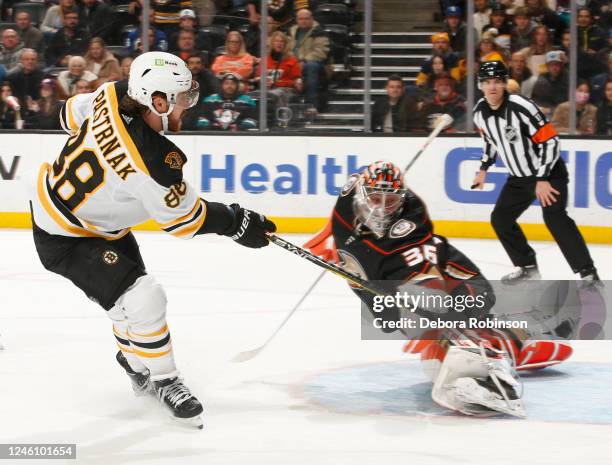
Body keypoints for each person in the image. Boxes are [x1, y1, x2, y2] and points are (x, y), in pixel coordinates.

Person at [30, 51, 276, 428]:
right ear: (156, 101)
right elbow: (185, 220)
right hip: (65, 236)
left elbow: (67, 114)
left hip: (95, 223)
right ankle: (165, 380)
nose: (186, 106)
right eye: (180, 99)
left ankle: (133, 361)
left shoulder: (110, 94)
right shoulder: (154, 161)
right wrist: (236, 222)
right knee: (144, 297)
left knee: (127, 304)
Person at [304, 161, 572, 417]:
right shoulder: (350, 189)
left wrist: (420, 310)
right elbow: (339, 224)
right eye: (376, 199)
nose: (383, 209)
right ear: (361, 194)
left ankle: (508, 347)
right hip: (399, 281)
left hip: (460, 283)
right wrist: (327, 245)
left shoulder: (410, 226)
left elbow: (428, 283)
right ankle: (514, 334)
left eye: (392, 201)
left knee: (439, 339)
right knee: (407, 329)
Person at [472, 61, 599, 283]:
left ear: (504, 84)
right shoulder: (479, 113)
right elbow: (491, 141)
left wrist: (542, 178)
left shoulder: (522, 107)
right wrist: (483, 168)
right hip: (519, 179)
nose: (492, 87)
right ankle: (527, 266)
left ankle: (588, 273)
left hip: (548, 173)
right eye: (487, 82)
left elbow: (550, 141)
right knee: (501, 219)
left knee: (555, 218)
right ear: (480, 85)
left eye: (497, 81)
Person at [287, 8, 330, 111]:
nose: (303, 21)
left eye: (306, 18)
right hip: (294, 63)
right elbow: (286, 49)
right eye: (301, 19)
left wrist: (304, 61)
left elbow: (320, 51)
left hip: (317, 66)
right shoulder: (291, 31)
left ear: (312, 19)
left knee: (311, 66)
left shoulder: (319, 31)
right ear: (297, 20)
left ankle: (311, 106)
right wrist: (294, 62)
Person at [187, 72, 257, 130]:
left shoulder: (247, 101)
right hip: (213, 137)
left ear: (237, 85)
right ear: (221, 85)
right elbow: (202, 121)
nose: (229, 86)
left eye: (233, 83)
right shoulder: (209, 100)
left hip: (239, 136)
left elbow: (252, 121)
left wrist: (238, 128)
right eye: (226, 83)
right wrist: (213, 127)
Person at [254, 31, 303, 110]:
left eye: (281, 41)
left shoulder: (292, 60)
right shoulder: (265, 60)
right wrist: (263, 81)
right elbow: (258, 78)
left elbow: (296, 82)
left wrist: (278, 83)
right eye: (276, 41)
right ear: (272, 43)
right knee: (249, 97)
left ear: (285, 44)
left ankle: (276, 119)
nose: (279, 43)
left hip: (286, 90)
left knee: (274, 95)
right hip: (266, 90)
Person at [531, 50, 569, 116]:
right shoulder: (541, 83)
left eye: (557, 64)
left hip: (563, 115)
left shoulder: (566, 80)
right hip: (546, 116)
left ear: (561, 66)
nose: (554, 68)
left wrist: (551, 110)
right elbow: (537, 101)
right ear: (547, 66)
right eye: (551, 65)